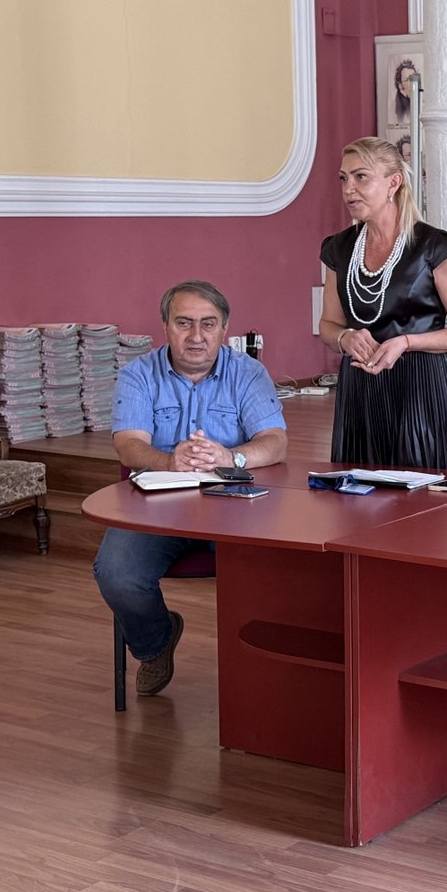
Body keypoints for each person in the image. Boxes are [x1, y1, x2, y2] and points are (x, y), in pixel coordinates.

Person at [94, 281, 288, 697]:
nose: (196, 336)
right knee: (116, 572)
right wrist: (169, 461)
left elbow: (275, 441)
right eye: (184, 323)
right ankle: (155, 644)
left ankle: (264, 672)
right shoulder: (138, 375)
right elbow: (128, 445)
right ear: (165, 326)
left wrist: (230, 457)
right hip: (157, 504)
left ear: (224, 329)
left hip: (233, 505)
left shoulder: (248, 372)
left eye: (208, 324)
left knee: (273, 569)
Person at [318, 137, 447, 467]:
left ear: (393, 183)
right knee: (358, 489)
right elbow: (328, 325)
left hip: (421, 386)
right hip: (360, 387)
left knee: (423, 490)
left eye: (361, 177)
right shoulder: (338, 248)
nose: (349, 189)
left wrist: (406, 342)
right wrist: (345, 337)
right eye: (343, 178)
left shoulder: (435, 246)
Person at [393, 58, 417, 123]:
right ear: (400, 85)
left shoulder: (418, 99)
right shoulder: (398, 104)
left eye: (413, 79)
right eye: (407, 79)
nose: (412, 82)